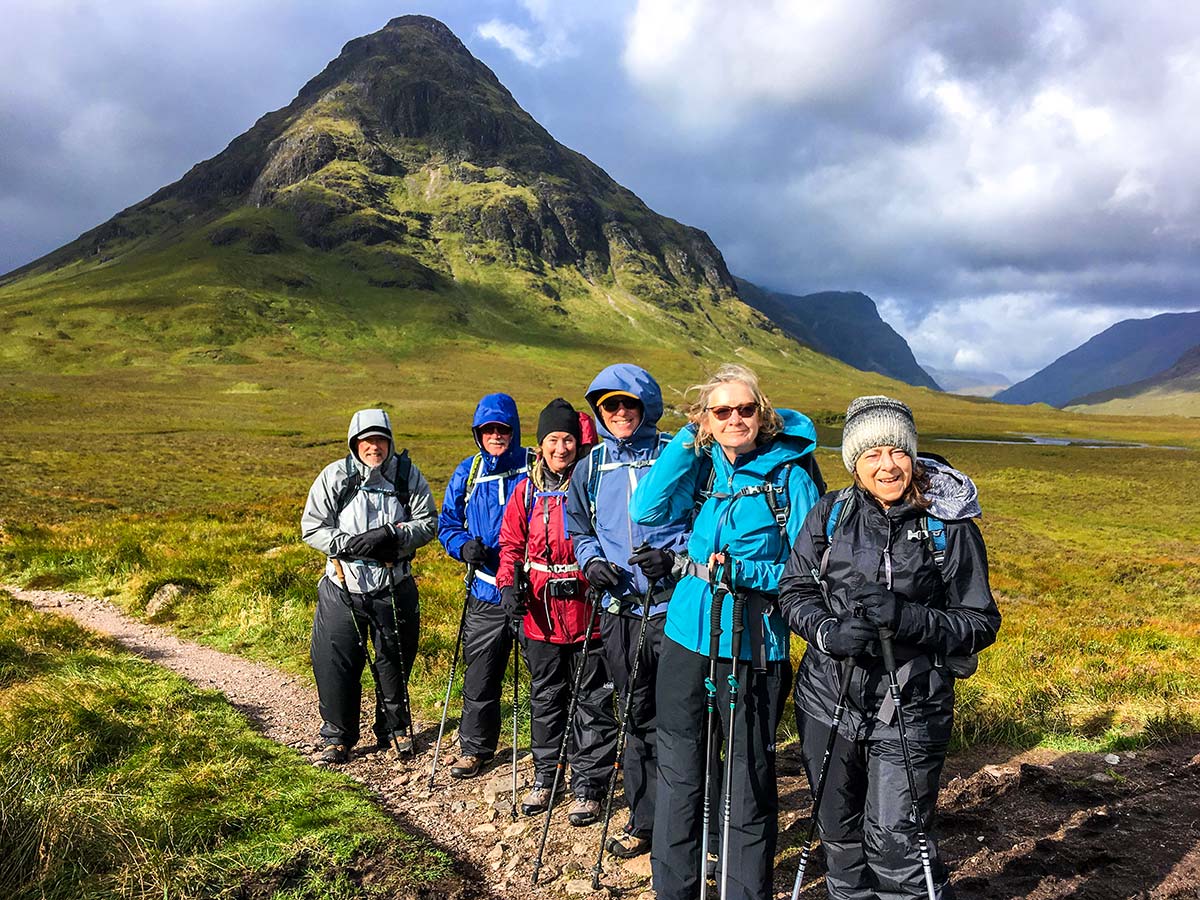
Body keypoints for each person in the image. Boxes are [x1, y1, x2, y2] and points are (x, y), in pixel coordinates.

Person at [778, 395, 1001, 900]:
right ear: (854, 461)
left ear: (913, 454)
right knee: (837, 831)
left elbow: (980, 622)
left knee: (899, 841)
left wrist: (905, 619)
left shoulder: (948, 526)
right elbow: (794, 591)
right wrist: (826, 632)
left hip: (912, 702)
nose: (886, 465)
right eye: (872, 453)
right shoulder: (829, 514)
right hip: (825, 700)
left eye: (897, 451)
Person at [629, 363, 822, 900]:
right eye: (721, 411)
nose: (735, 418)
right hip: (687, 637)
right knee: (679, 773)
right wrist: (691, 438)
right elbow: (644, 508)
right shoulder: (703, 464)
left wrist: (742, 573)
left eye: (745, 409)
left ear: (764, 414)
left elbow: (809, 572)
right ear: (706, 419)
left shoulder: (792, 477)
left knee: (747, 778)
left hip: (754, 643)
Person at [565, 363, 695, 859]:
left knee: (684, 720)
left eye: (628, 403)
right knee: (637, 717)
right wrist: (592, 561)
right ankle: (645, 823)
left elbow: (703, 516)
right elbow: (580, 529)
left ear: (646, 407)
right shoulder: (589, 466)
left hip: (673, 607)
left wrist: (675, 559)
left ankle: (691, 827)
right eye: (609, 405)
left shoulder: (678, 456)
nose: (619, 412)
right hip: (619, 610)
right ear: (599, 412)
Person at [496, 399, 617, 826]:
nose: (561, 448)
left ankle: (589, 786)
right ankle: (546, 777)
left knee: (593, 701)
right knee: (546, 697)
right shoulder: (525, 491)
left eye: (567, 439)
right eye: (553, 440)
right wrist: (507, 584)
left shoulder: (592, 483)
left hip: (589, 611)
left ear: (577, 441)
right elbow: (510, 544)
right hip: (540, 614)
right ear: (541, 443)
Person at [301, 408, 438, 764]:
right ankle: (337, 737)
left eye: (380, 439)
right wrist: (345, 543)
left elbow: (428, 523)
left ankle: (394, 729)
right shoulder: (334, 477)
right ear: (354, 443)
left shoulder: (408, 477)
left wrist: (393, 534)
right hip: (342, 584)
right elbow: (312, 527)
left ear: (390, 442)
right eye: (366, 440)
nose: (373, 447)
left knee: (395, 660)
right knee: (335, 662)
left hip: (394, 584)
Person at [438, 392, 532, 778]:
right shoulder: (469, 471)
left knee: (548, 676)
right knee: (480, 672)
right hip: (484, 590)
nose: (496, 435)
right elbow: (447, 523)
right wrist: (463, 547)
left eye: (502, 429)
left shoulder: (534, 464)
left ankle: (560, 753)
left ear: (514, 429)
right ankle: (475, 748)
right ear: (478, 433)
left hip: (531, 591)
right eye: (488, 429)